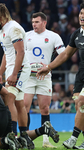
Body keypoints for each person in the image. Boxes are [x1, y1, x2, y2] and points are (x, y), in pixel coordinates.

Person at [37, 2, 84, 149]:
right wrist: (49, 67)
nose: (82, 16)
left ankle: (73, 138)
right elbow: (65, 54)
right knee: (80, 108)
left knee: (82, 102)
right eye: (81, 13)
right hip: (81, 74)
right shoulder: (77, 34)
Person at [0, 3, 33, 148]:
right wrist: (0, 73)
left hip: (19, 69)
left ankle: (12, 135)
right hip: (11, 69)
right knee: (19, 104)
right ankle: (24, 136)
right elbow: (7, 54)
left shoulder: (13, 28)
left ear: (0, 15)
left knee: (9, 98)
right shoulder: (3, 30)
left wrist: (14, 73)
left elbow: (20, 52)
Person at [24, 12, 64, 148]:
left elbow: (63, 55)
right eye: (33, 22)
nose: (33, 24)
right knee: (24, 108)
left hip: (44, 76)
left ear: (44, 23)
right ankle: (25, 138)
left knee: (45, 109)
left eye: (36, 22)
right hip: (28, 77)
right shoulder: (26, 36)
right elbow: (19, 54)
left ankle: (46, 141)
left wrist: (49, 66)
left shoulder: (53, 37)